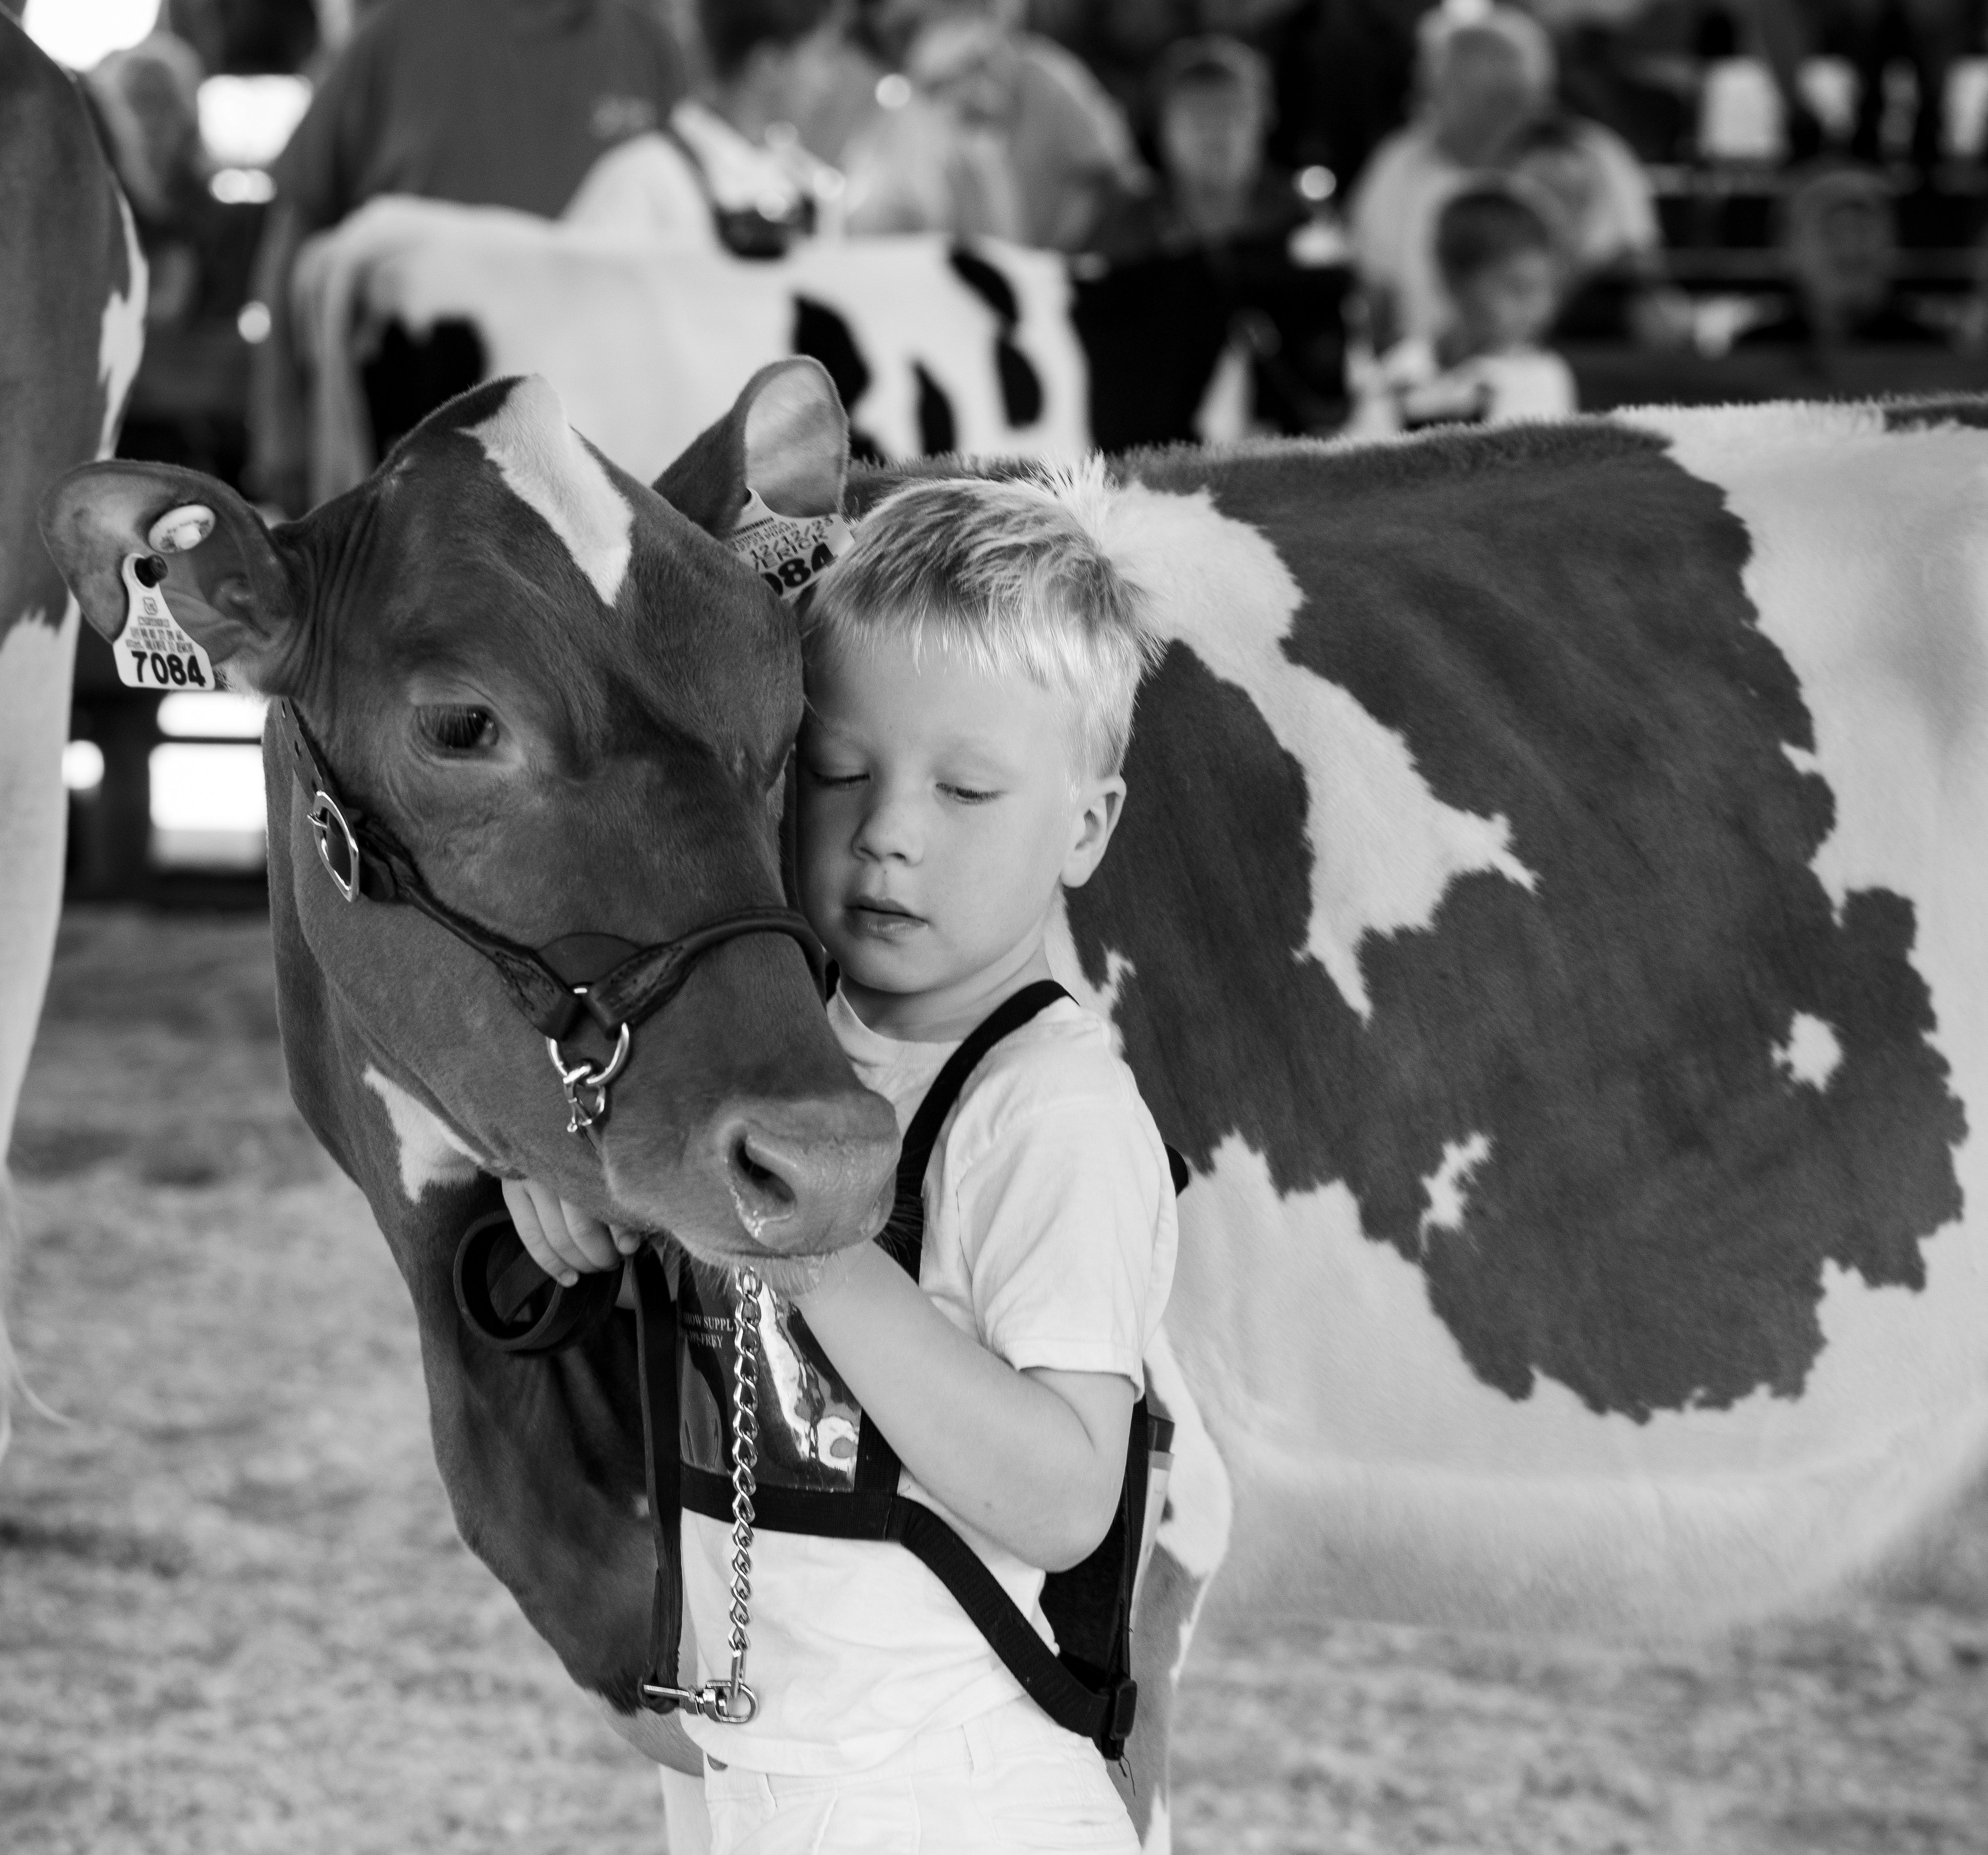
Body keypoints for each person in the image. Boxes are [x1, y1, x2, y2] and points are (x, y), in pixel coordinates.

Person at [504, 465, 1177, 1853]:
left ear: (1087, 830)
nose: (890, 831)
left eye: (969, 789)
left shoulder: (1049, 1113)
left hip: (963, 1799)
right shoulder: (778, 1055)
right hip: (751, 1780)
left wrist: (804, 1241)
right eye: (840, 771)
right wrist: (566, 1188)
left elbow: (1063, 1496)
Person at [246, 0, 690, 515]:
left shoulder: (647, 44)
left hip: (602, 463)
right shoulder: (395, 38)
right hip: (420, 459)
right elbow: (297, 227)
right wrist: (282, 425)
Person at [1349, 4, 1665, 347]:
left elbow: (1637, 282)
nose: (1418, 100)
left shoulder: (1590, 157)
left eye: (1435, 85)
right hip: (1421, 370)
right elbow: (1368, 286)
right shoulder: (1399, 161)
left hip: (1557, 364)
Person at [1351, 179, 1576, 431]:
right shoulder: (1400, 369)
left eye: (1548, 290)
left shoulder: (1539, 376)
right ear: (1454, 282)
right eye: (1517, 289)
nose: (1539, 310)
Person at [1092, 34, 1304, 259]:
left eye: (1229, 111)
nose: (1213, 130)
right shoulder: (1120, 238)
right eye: (1196, 114)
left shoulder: (1306, 227)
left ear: (1266, 119)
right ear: (1161, 128)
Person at [1736, 164, 1948, 350]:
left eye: (1865, 230)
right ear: (1788, 250)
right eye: (1832, 232)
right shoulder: (1753, 353)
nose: (1852, 248)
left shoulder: (1934, 352)